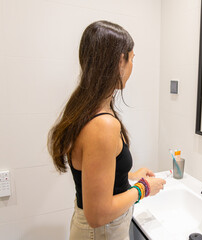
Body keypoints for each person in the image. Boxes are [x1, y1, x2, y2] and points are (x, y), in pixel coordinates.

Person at [47, 20, 166, 240]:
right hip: (101, 232)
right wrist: (144, 188)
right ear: (120, 60)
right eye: (131, 58)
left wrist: (128, 176)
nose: (132, 66)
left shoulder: (89, 109)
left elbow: (95, 176)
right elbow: (98, 214)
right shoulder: (103, 124)